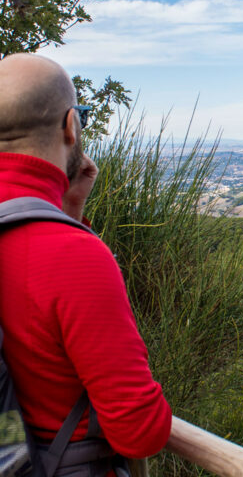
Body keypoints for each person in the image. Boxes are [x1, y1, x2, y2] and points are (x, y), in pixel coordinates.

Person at [0, 54, 172, 473]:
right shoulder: (71, 255)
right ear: (71, 126)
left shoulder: (52, 242)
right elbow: (139, 431)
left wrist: (66, 210)